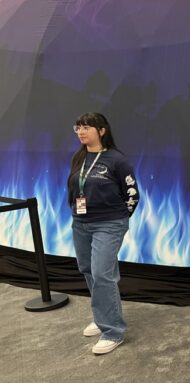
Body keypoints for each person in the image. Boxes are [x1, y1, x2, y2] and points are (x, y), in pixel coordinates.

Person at [67, 112, 139, 355]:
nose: (81, 131)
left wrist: (119, 220)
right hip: (81, 223)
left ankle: (113, 331)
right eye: (78, 127)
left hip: (109, 224)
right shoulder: (79, 157)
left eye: (86, 127)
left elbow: (132, 194)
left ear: (102, 131)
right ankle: (102, 318)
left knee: (102, 274)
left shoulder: (117, 160)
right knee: (88, 269)